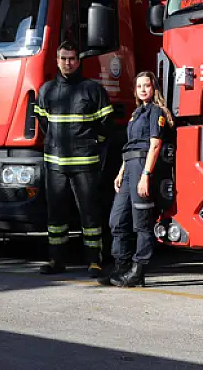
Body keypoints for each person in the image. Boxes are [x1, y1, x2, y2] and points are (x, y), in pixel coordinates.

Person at [35, 42, 114, 276]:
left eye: (71, 59)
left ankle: (94, 261)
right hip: (55, 164)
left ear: (78, 61)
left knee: (89, 213)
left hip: (84, 164)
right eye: (63, 58)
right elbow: (43, 124)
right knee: (56, 216)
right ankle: (56, 260)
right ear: (57, 61)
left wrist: (90, 144)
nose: (67, 63)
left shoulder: (92, 89)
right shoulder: (46, 90)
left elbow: (106, 124)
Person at [100, 71, 174, 287]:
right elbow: (130, 145)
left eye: (147, 85)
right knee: (117, 220)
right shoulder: (135, 114)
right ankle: (121, 267)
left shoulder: (155, 112)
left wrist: (146, 176)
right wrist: (121, 172)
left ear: (154, 88)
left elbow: (154, 146)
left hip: (143, 166)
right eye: (139, 86)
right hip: (129, 166)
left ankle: (138, 270)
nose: (143, 89)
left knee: (141, 223)